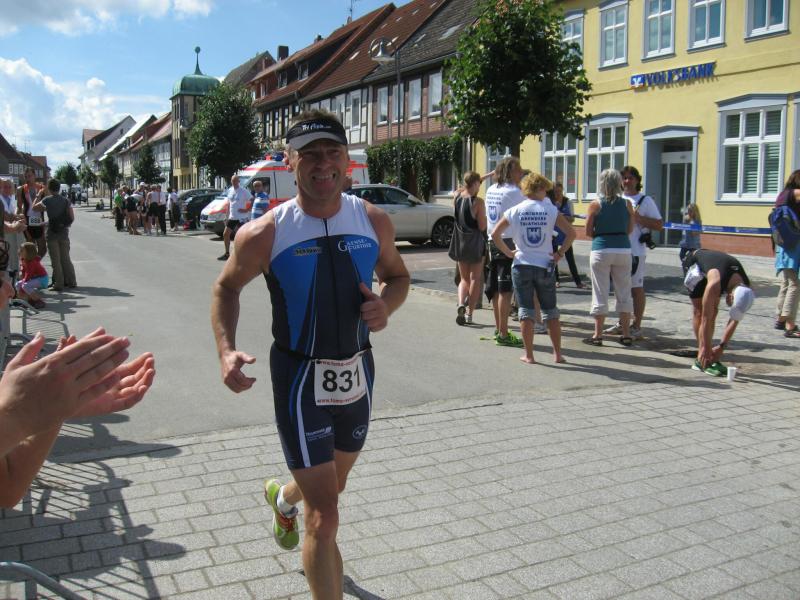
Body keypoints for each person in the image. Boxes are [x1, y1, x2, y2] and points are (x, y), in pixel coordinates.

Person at [211, 110, 409, 600]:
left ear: (347, 160)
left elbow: (398, 276)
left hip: (358, 372)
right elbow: (226, 288)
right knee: (325, 516)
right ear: (290, 162)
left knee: (332, 486)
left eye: (332, 152)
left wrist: (386, 305)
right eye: (310, 154)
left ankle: (283, 497)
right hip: (300, 379)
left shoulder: (373, 220)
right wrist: (226, 350)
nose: (323, 164)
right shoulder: (265, 233)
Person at [492, 173, 575, 364]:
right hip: (545, 265)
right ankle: (557, 354)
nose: (547, 192)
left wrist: (509, 252)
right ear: (540, 189)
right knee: (550, 311)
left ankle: (529, 355)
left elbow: (495, 234)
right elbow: (571, 233)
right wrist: (559, 253)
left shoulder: (515, 210)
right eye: (545, 189)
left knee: (526, 311)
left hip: (521, 264)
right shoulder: (551, 210)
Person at [604, 165, 663, 339]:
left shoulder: (645, 200)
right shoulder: (616, 198)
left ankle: (636, 325)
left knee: (636, 288)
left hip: (636, 250)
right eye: (624, 178)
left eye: (631, 178)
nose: (627, 181)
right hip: (617, 248)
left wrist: (638, 218)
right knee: (620, 288)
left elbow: (659, 225)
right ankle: (622, 323)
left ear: (637, 180)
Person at [583, 169, 635, 346]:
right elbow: (630, 229)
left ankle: (598, 335)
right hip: (623, 248)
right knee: (624, 292)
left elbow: (588, 231)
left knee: (600, 291)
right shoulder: (627, 204)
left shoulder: (596, 204)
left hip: (602, 248)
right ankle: (626, 333)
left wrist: (602, 233)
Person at [683, 249, 755, 376]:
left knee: (714, 311)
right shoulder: (715, 283)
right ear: (731, 296)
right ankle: (701, 358)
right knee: (700, 311)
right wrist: (705, 348)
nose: (729, 305)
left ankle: (709, 356)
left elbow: (735, 320)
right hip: (695, 263)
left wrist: (722, 347)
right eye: (731, 304)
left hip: (718, 269)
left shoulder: (746, 288)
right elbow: (706, 318)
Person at [484, 157, 526, 346]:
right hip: (507, 241)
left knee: (496, 288)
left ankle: (499, 328)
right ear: (510, 172)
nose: (521, 173)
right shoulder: (514, 192)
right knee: (505, 290)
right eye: (518, 170)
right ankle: (503, 333)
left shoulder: (491, 189)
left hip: (492, 240)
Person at [448, 171, 486, 326]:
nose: (480, 187)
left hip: (460, 242)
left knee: (464, 279)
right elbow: (482, 226)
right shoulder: (478, 202)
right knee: (475, 278)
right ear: (475, 184)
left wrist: (484, 176)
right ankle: (470, 313)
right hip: (475, 243)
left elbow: (466, 186)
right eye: (479, 184)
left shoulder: (457, 196)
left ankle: (460, 303)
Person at [32, 178, 77, 291]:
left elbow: (34, 208)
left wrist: (39, 194)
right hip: (64, 233)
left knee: (55, 260)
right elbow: (72, 217)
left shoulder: (47, 200)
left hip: (52, 233)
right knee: (66, 259)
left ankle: (59, 283)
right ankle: (72, 281)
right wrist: (63, 225)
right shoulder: (66, 201)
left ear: (49, 188)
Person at [773, 170, 800, 337]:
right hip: (793, 244)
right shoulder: (796, 193)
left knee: (786, 282)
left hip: (782, 243)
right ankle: (788, 323)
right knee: (795, 283)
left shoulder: (782, 195)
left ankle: (780, 318)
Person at [548, 183, 584, 288]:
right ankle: (556, 280)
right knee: (553, 258)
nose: (557, 194)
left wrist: (561, 216)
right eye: (555, 192)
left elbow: (572, 219)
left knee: (570, 259)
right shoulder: (550, 202)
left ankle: (578, 282)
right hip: (553, 233)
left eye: (559, 191)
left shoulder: (568, 202)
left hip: (565, 234)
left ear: (562, 191)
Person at [218, 174, 252, 260]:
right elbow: (229, 204)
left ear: (238, 181)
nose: (234, 182)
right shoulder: (230, 190)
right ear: (231, 181)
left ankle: (247, 255)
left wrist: (247, 210)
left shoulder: (243, 191)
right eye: (232, 181)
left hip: (242, 218)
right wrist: (226, 216)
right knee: (225, 234)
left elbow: (252, 199)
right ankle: (227, 253)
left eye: (235, 181)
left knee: (243, 237)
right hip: (232, 217)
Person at [0, 177, 27, 278]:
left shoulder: (11, 198)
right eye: (4, 187)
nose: (7, 189)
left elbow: (14, 212)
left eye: (9, 187)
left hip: (12, 230)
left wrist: (18, 217)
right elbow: (5, 215)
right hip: (4, 232)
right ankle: (10, 279)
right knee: (7, 257)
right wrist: (17, 219)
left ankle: (15, 277)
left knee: (15, 254)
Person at [18, 167, 47, 257]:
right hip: (27, 219)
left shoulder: (42, 188)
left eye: (30, 176)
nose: (28, 179)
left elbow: (48, 203)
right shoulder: (21, 189)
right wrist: (19, 218)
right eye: (26, 176)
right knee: (30, 249)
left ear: (34, 176)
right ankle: (31, 264)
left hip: (39, 219)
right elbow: (19, 207)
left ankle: (34, 263)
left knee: (43, 248)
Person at [16, 242, 48, 309]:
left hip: (42, 279)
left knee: (25, 286)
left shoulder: (32, 262)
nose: (19, 251)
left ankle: (39, 301)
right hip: (35, 279)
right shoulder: (24, 260)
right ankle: (27, 301)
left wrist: (23, 285)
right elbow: (24, 272)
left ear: (29, 253)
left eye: (22, 250)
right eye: (20, 250)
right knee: (18, 284)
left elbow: (28, 274)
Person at [679, 203, 702, 273]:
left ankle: (690, 271)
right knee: (681, 255)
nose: (688, 211)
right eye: (688, 210)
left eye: (690, 210)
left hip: (694, 244)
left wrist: (692, 222)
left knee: (693, 259)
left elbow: (694, 233)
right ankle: (686, 266)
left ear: (694, 211)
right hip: (686, 242)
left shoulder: (698, 221)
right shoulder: (686, 218)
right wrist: (687, 220)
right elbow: (683, 227)